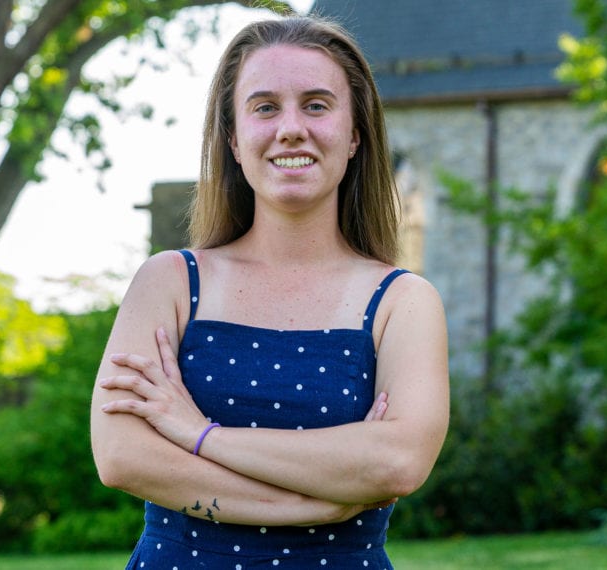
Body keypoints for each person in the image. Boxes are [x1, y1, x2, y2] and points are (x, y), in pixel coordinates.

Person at [91, 15, 449, 570]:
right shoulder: (168, 282)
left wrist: (196, 433)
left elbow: (397, 462)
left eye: (316, 105)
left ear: (355, 135)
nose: (290, 128)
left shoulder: (404, 301)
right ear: (233, 139)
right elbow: (121, 456)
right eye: (264, 107)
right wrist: (314, 502)